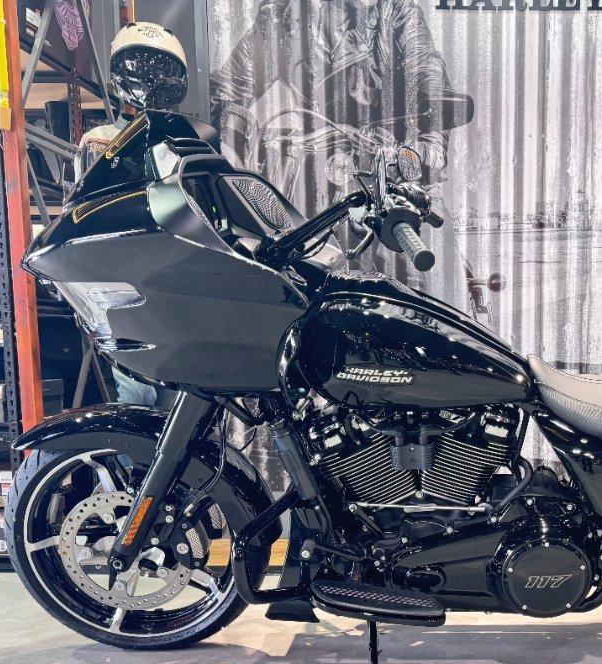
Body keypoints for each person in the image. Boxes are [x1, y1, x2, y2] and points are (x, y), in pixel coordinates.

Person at [209, 0, 468, 216]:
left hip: (388, 167)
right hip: (311, 166)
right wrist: (226, 150)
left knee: (420, 245)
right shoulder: (284, 13)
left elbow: (427, 74)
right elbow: (229, 88)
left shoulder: (397, 12)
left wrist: (424, 151)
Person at [74, 21, 189, 406]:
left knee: (183, 397)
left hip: (173, 277)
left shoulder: (186, 140)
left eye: (161, 69)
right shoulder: (101, 141)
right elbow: (84, 213)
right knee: (135, 390)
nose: (151, 79)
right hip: (122, 279)